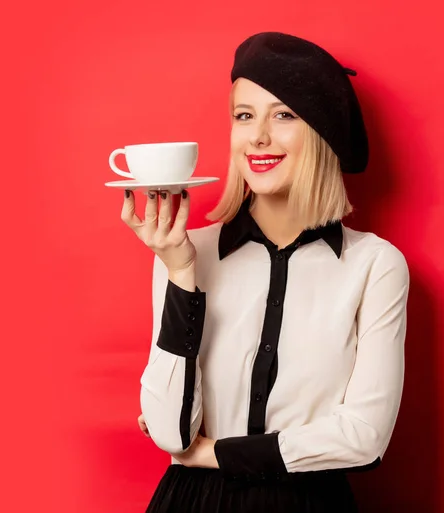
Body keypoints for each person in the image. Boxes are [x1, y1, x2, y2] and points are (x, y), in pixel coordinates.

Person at [121, 32, 409, 513]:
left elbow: (364, 436)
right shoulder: (187, 254)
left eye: (283, 115)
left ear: (321, 134)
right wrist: (180, 273)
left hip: (311, 503)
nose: (258, 136)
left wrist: (215, 451)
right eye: (244, 116)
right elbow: (171, 432)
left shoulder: (375, 266)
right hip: (194, 503)